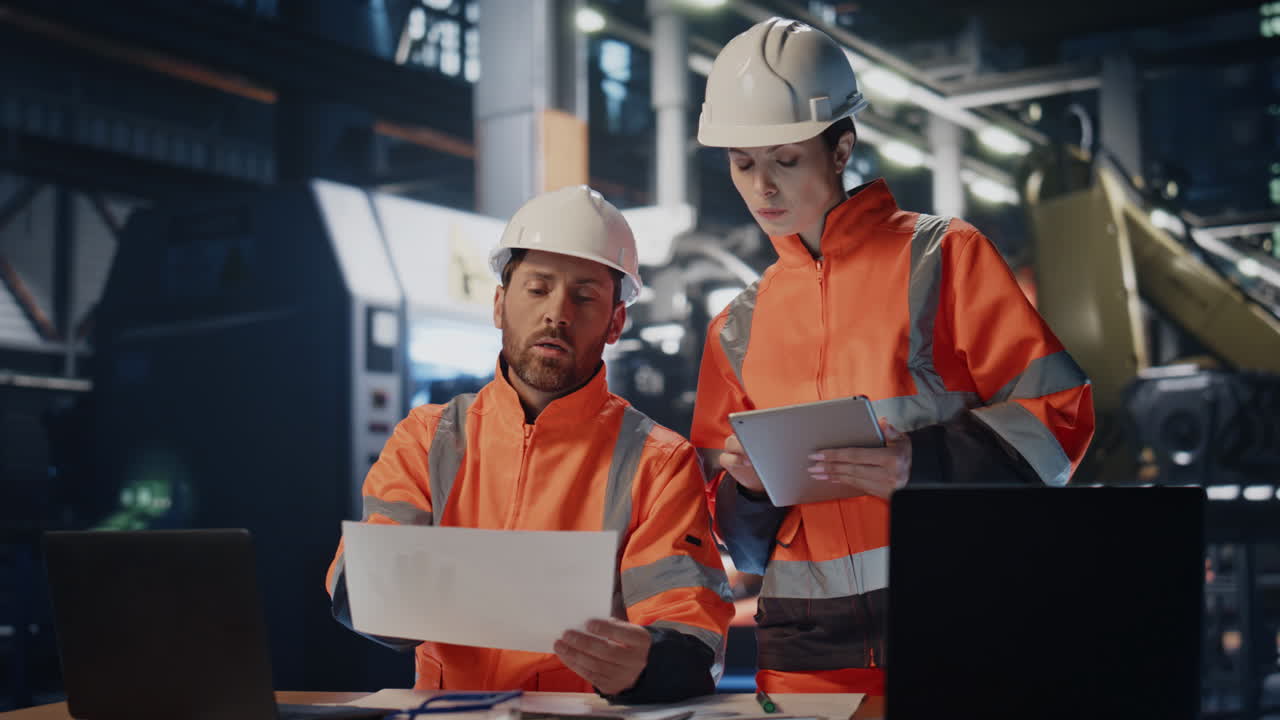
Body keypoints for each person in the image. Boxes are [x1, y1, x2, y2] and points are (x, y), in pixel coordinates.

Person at [690, 18, 1095, 695]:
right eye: (742, 163)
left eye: (786, 160)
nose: (763, 188)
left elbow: (1059, 414)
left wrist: (924, 464)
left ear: (841, 147)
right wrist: (748, 494)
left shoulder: (942, 258)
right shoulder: (736, 328)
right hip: (805, 657)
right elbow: (742, 544)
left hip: (958, 624)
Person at [327, 186, 734, 702]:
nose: (557, 314)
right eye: (538, 288)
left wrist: (648, 661)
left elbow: (689, 634)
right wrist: (383, 595)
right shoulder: (428, 438)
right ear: (500, 304)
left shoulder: (659, 463)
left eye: (584, 296)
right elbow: (357, 584)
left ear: (615, 322)